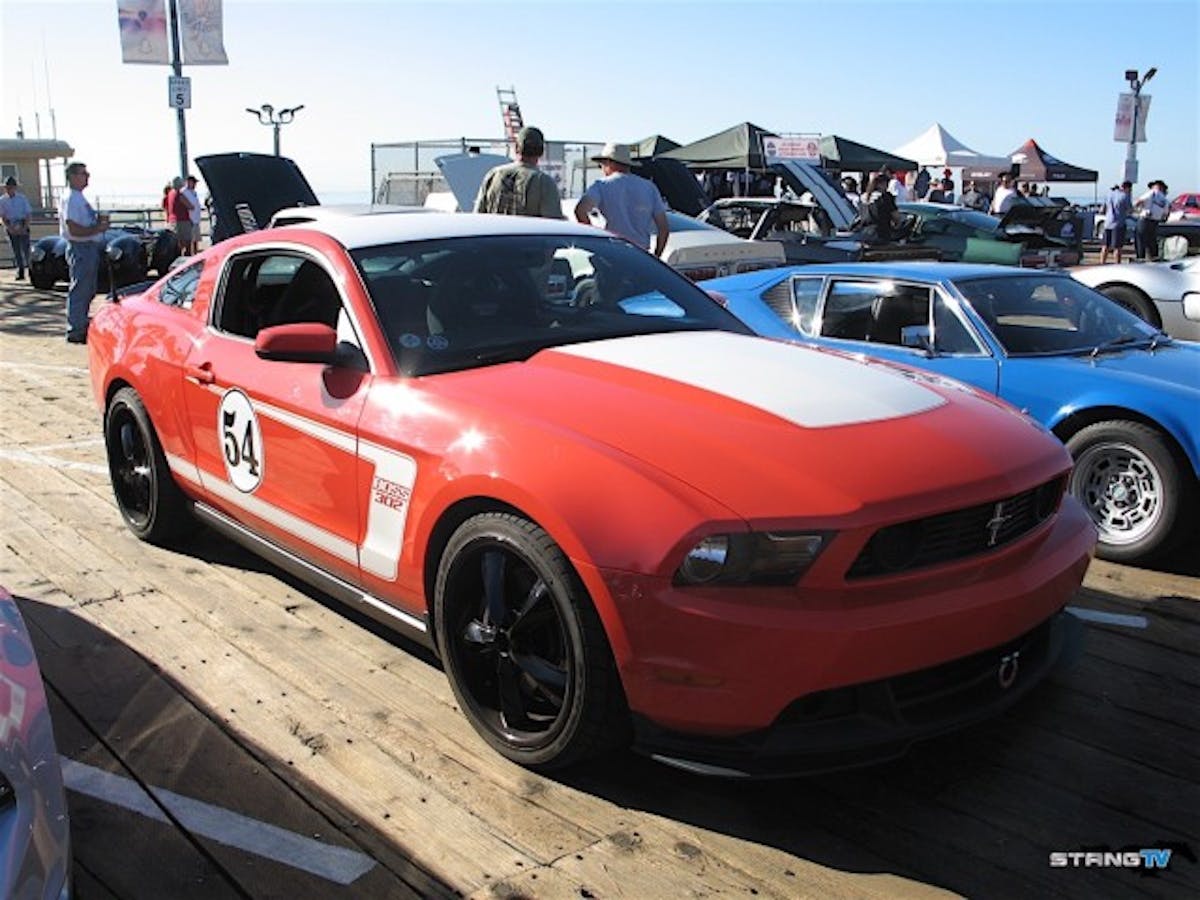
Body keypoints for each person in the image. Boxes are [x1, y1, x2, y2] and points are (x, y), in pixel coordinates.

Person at [574, 142, 668, 256]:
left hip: (612, 252)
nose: (602, 168)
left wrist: (595, 242)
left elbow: (580, 210)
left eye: (602, 164)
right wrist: (656, 256)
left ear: (609, 163)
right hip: (641, 255)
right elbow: (663, 228)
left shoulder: (601, 185)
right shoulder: (649, 187)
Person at [58, 161, 109, 343]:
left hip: (87, 246)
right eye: (82, 173)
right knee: (80, 288)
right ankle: (75, 328)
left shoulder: (78, 197)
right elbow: (74, 228)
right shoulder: (72, 198)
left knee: (88, 288)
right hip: (81, 247)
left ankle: (80, 323)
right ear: (72, 176)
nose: (87, 176)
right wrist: (97, 229)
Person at [473, 126, 564, 219]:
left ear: (516, 147)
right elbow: (554, 224)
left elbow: (478, 217)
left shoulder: (493, 175)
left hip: (494, 232)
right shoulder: (544, 182)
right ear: (541, 151)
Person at [0, 176, 33, 280]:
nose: (9, 189)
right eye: (7, 187)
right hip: (10, 224)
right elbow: (2, 216)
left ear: (15, 188)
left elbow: (28, 214)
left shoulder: (22, 198)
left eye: (11, 187)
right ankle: (21, 271)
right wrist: (9, 227)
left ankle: (32, 271)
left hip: (22, 223)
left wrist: (24, 227)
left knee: (26, 250)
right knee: (16, 250)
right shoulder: (2, 200)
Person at [1133, 179, 1169, 261]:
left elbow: (1139, 201)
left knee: (1140, 242)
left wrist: (1137, 208)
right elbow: (1165, 214)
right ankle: (1153, 260)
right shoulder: (1165, 199)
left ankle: (1140, 259)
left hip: (1145, 220)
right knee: (1152, 242)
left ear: (1156, 186)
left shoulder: (1152, 193)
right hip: (1155, 222)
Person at [859, 173, 900, 242]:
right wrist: (897, 224)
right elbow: (896, 216)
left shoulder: (864, 197)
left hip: (864, 233)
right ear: (880, 184)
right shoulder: (885, 197)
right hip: (881, 233)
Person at [1100, 180, 1134, 264]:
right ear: (1127, 188)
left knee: (1105, 246)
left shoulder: (1109, 194)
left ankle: (1102, 263)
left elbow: (1102, 209)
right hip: (1119, 223)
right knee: (1117, 247)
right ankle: (1117, 265)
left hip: (1108, 223)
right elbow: (1130, 210)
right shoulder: (1125, 196)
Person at [168, 176, 194, 254]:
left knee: (177, 242)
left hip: (173, 220)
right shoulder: (179, 194)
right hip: (182, 220)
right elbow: (190, 206)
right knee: (187, 242)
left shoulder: (170, 193)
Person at [181, 174, 202, 254]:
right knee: (189, 241)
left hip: (196, 219)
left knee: (195, 240)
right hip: (190, 219)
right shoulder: (184, 192)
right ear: (189, 182)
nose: (195, 185)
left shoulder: (194, 192)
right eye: (193, 182)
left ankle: (195, 255)